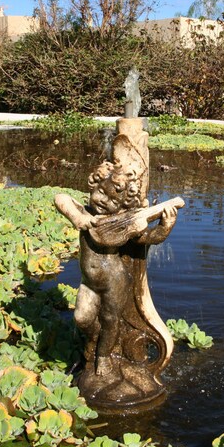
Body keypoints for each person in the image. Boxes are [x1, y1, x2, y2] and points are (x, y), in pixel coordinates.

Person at [54, 159, 177, 379]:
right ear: (94, 185)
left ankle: (103, 355)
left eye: (113, 200)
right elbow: (60, 198)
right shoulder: (87, 213)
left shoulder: (123, 223)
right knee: (82, 318)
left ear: (122, 205)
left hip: (115, 281)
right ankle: (93, 339)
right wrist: (77, 217)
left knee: (111, 320)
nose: (104, 201)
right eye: (101, 192)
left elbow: (149, 238)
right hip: (89, 282)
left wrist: (165, 227)